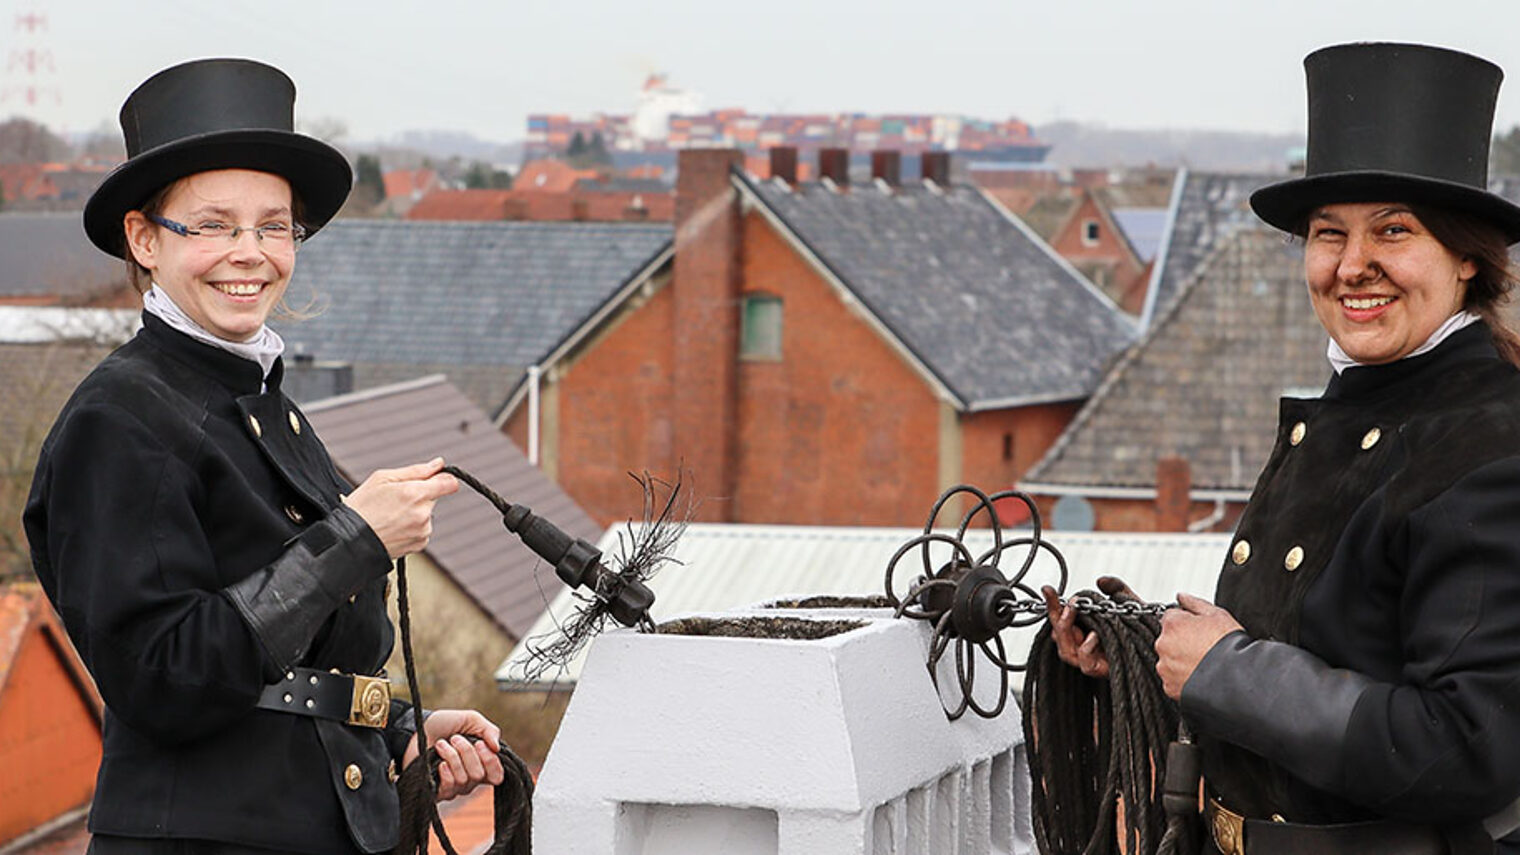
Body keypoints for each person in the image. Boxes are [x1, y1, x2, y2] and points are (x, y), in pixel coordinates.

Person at [1043, 42, 1520, 854]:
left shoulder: (1491, 449)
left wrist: (1225, 670)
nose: (1352, 265)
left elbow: (1469, 744)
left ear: (1466, 256)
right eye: (1328, 234)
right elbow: (1317, 654)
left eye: (1393, 232)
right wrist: (1139, 652)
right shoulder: (1348, 408)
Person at [24, 59, 504, 855]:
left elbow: (291, 672)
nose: (249, 252)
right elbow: (161, 678)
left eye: (274, 225)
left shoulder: (261, 399)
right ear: (144, 239)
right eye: (212, 225)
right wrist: (354, 538)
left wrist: (396, 729)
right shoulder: (117, 419)